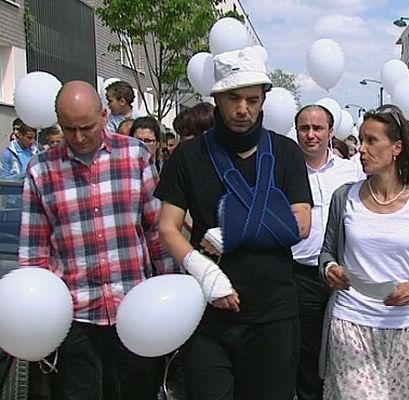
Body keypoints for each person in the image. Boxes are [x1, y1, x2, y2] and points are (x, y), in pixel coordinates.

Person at [155, 46, 312, 400]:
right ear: (217, 99)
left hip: (274, 313)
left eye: (252, 100)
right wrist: (208, 276)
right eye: (234, 99)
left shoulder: (285, 152)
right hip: (208, 314)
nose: (243, 109)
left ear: (263, 100)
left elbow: (300, 224)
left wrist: (233, 233)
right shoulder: (188, 156)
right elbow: (168, 227)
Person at [18, 81, 176, 400]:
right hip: (74, 312)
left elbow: (156, 231)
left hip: (134, 306)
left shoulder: (135, 156)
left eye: (86, 127)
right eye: (69, 128)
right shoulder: (41, 169)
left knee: (138, 392)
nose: (78, 137)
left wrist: (168, 290)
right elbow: (34, 253)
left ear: (104, 115)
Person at [319, 104, 409, 399]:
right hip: (351, 323)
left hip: (408, 326)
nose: (361, 149)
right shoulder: (344, 197)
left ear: (397, 148)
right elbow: (326, 253)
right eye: (361, 140)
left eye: (372, 141)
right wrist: (330, 269)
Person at [292, 105, 363, 400]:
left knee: (346, 350)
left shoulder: (352, 171)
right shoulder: (286, 171)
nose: (311, 135)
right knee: (307, 354)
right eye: (304, 128)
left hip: (344, 275)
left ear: (331, 132)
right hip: (301, 274)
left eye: (317, 128)